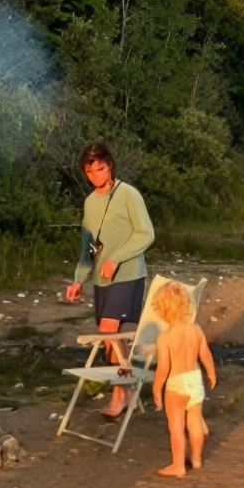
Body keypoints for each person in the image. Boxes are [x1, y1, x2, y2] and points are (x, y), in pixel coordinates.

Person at [66, 143, 154, 417]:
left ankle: (119, 395)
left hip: (127, 274)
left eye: (100, 168)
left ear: (110, 166)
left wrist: (116, 259)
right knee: (111, 339)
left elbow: (146, 234)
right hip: (101, 280)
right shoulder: (90, 201)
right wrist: (78, 280)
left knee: (108, 331)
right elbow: (87, 246)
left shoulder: (128, 194)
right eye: (89, 171)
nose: (95, 175)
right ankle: (126, 391)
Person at [152, 281, 216, 477]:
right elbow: (205, 354)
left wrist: (157, 388)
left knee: (177, 428)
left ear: (162, 311)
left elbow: (163, 368)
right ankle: (196, 459)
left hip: (176, 384)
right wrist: (211, 374)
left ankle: (178, 465)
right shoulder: (196, 329)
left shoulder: (166, 337)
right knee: (195, 422)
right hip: (195, 380)